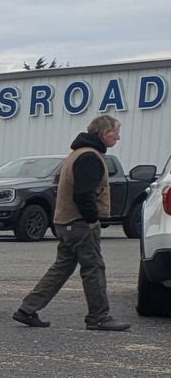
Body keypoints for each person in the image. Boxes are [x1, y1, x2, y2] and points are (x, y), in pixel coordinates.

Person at [13, 113, 130, 332]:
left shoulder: (76, 154)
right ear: (104, 134)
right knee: (93, 268)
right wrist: (92, 219)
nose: (118, 137)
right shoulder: (90, 157)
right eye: (116, 132)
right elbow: (83, 194)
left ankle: (27, 309)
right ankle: (98, 317)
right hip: (80, 223)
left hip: (66, 221)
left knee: (62, 267)